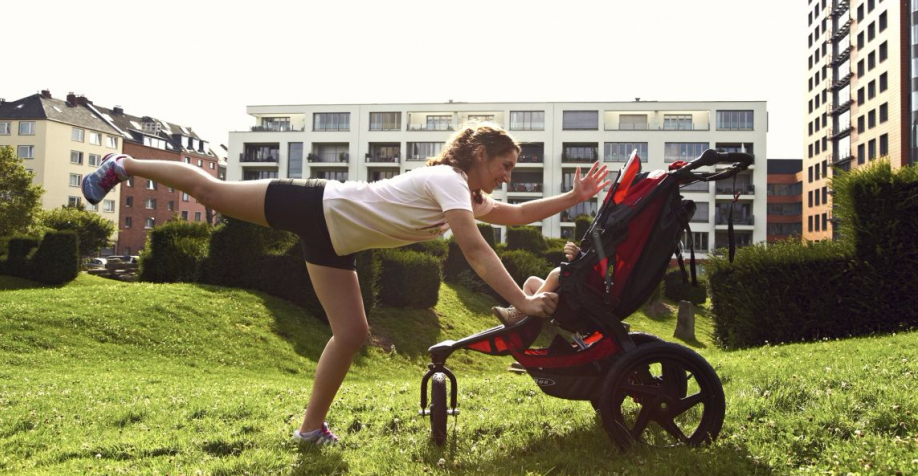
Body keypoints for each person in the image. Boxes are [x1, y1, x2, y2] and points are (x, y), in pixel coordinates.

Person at [81, 122, 609, 446]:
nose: (506, 176)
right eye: (504, 165)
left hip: (335, 245)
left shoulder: (465, 195)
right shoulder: (448, 179)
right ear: (478, 156)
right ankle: (123, 163)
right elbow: (475, 248)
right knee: (214, 194)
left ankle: (310, 427)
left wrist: (574, 198)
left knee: (352, 333)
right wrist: (522, 301)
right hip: (314, 203)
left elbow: (513, 216)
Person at [491, 241, 581, 326]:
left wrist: (579, 256)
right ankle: (523, 318)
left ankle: (519, 312)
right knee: (531, 282)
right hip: (576, 291)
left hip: (580, 302)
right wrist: (578, 256)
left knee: (557, 273)